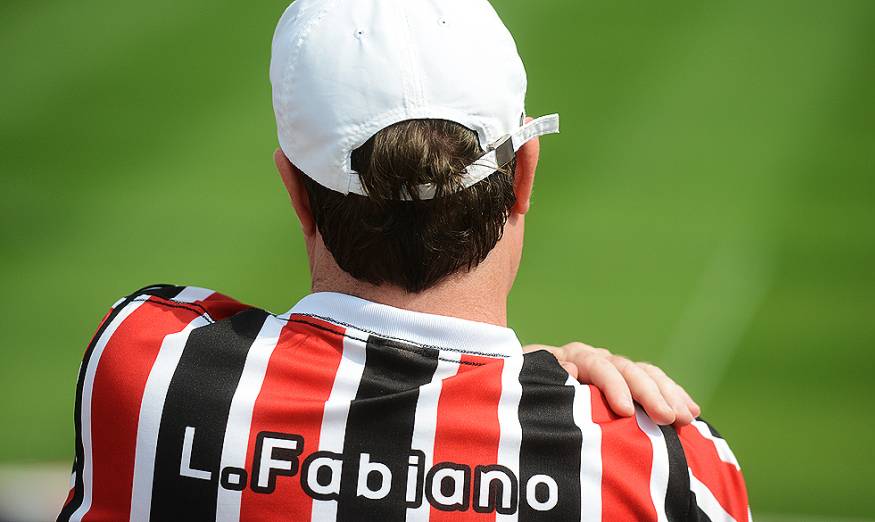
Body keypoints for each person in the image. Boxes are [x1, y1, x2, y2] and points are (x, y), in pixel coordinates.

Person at [58, 0, 749, 520]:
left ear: (297, 192)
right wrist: (540, 385)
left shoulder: (145, 368)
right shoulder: (668, 473)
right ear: (525, 174)